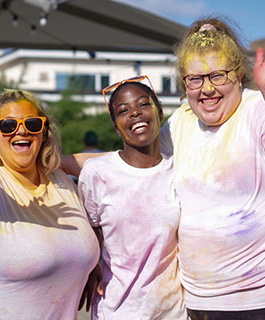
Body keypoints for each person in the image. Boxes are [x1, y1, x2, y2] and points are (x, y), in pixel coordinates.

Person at [159, 18, 265, 319]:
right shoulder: (178, 123)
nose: (207, 89)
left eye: (218, 75)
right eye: (196, 78)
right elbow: (139, 169)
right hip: (204, 304)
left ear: (238, 72)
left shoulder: (259, 109)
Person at [0, 71, 100, 320]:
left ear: (44, 132)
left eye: (33, 124)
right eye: (8, 125)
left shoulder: (63, 183)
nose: (21, 132)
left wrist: (87, 263)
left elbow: (120, 163)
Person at [78, 77, 186, 319]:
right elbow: (90, 229)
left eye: (143, 105)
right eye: (123, 110)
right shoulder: (97, 173)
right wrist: (91, 264)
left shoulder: (180, 170)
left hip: (173, 312)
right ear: (116, 126)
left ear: (159, 111)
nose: (135, 113)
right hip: (117, 309)